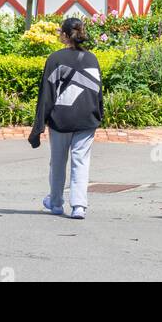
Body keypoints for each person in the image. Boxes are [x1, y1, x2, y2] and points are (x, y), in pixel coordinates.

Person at [28, 16, 104, 220]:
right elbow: (98, 92)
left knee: (58, 162)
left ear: (64, 35)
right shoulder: (92, 59)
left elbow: (47, 94)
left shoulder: (55, 59)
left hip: (61, 119)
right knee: (81, 161)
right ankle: (79, 206)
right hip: (87, 118)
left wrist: (39, 125)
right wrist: (98, 116)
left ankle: (55, 203)